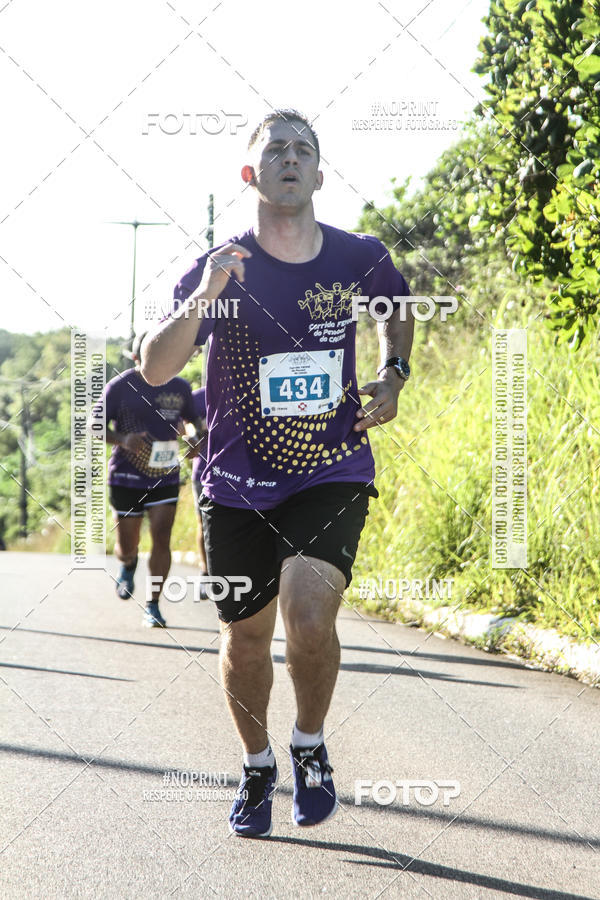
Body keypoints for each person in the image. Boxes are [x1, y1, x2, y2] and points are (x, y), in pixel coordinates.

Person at [141, 109, 414, 836]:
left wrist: (393, 373)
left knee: (310, 615)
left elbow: (396, 309)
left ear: (319, 175)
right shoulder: (221, 266)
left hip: (331, 468)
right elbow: (155, 366)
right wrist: (205, 294)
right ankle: (259, 764)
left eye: (303, 150)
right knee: (247, 637)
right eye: (275, 150)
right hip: (235, 481)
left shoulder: (359, 256)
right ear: (250, 174)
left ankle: (309, 745)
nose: (290, 159)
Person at [95, 332, 203, 627]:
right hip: (126, 477)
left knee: (161, 537)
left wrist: (195, 438)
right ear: (137, 357)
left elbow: (194, 422)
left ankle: (153, 605)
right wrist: (122, 439)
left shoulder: (180, 386)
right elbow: (93, 425)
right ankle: (128, 563)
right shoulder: (120, 386)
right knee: (127, 544)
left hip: (164, 475)